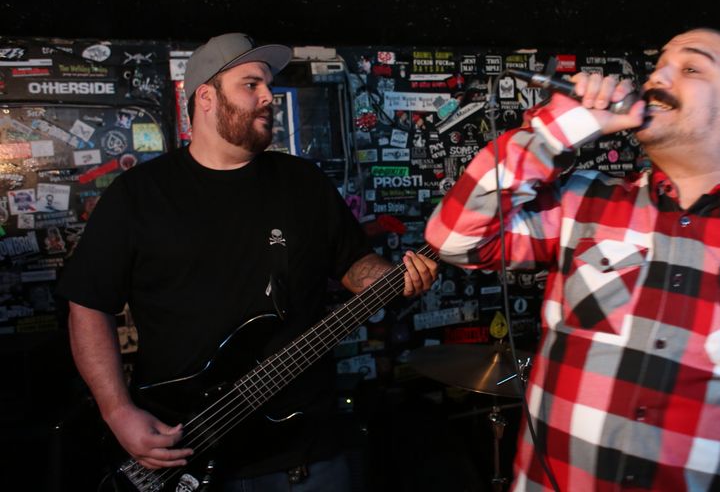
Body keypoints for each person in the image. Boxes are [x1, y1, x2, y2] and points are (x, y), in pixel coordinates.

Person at [426, 29, 720, 490]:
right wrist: (559, 130)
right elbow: (455, 239)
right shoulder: (582, 202)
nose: (656, 80)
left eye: (691, 68)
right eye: (658, 68)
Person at [58, 33, 437, 491]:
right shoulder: (138, 195)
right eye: (251, 84)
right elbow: (88, 306)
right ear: (206, 98)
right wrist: (117, 410)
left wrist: (394, 278)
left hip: (305, 452)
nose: (268, 96)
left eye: (268, 86)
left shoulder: (302, 183)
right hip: (185, 448)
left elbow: (355, 266)